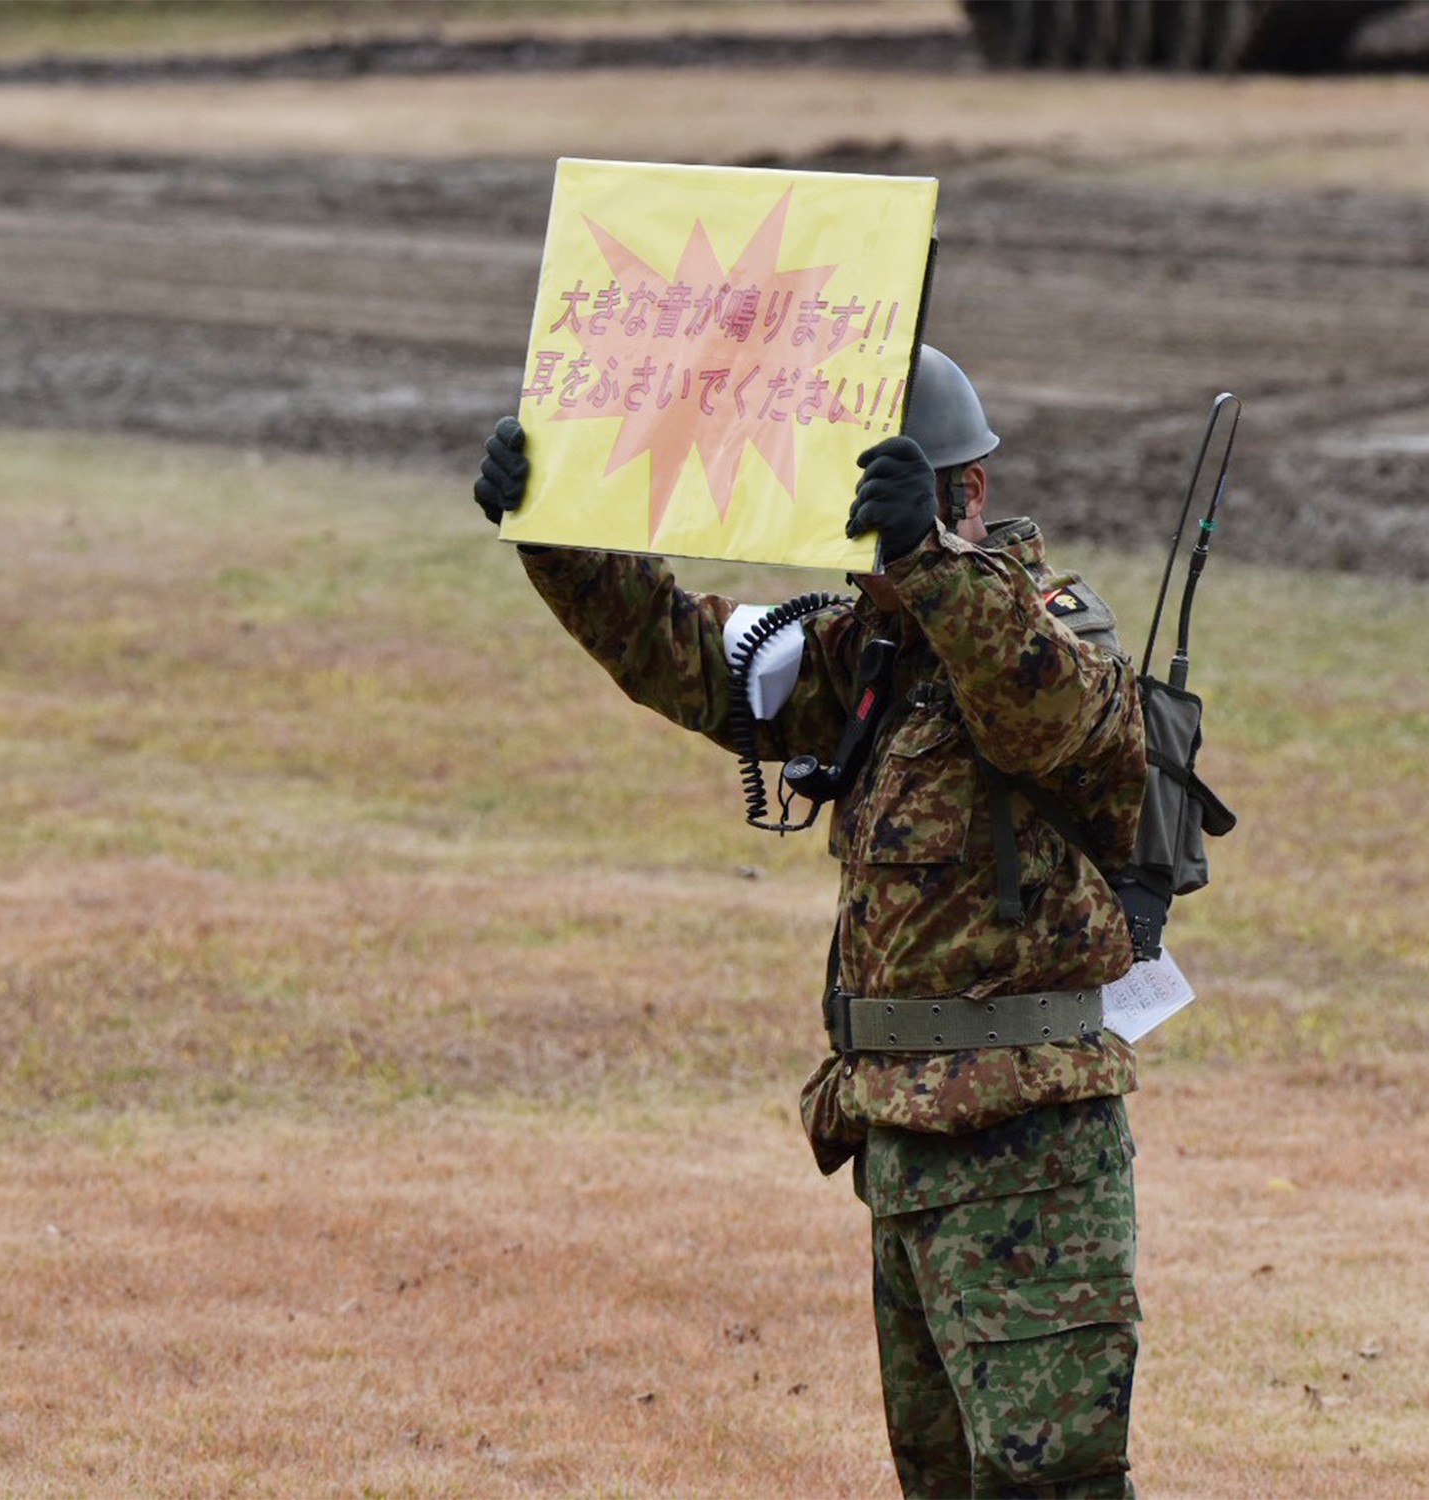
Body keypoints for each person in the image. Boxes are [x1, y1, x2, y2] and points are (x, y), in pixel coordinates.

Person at [473, 346, 1149, 1497]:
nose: (860, 541)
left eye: (891, 500)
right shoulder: (869, 653)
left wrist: (929, 561)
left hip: (1029, 1156)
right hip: (901, 1143)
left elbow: (1051, 716)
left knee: (1052, 1486)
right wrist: (557, 527)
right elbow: (697, 661)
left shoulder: (1053, 631)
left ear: (966, 496)